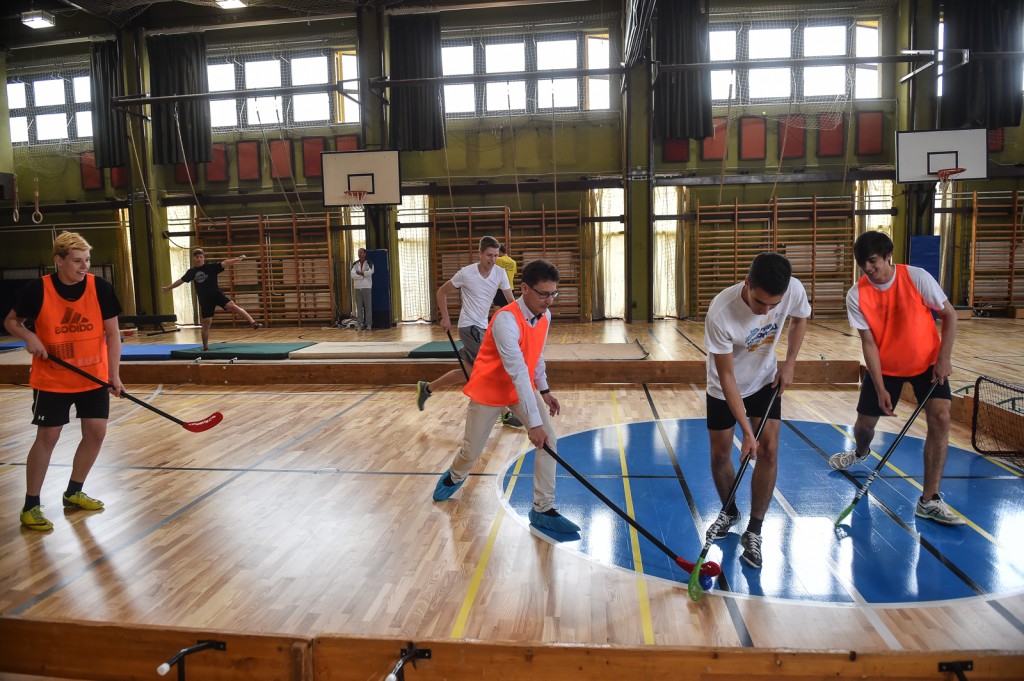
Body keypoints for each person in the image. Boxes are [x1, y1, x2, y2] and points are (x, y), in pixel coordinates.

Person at [432, 259, 580, 534]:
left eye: (553, 294)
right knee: (471, 452)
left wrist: (545, 390)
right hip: (489, 390)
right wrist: (533, 424)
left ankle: (543, 509)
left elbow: (536, 356)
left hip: (519, 389)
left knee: (549, 441)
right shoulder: (505, 320)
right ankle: (454, 475)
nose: (549, 300)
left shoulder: (545, 316)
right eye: (544, 294)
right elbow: (518, 371)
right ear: (524, 288)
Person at [828, 231, 963, 526]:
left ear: (888, 256)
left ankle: (929, 499)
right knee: (865, 426)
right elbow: (868, 343)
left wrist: (944, 358)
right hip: (885, 368)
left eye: (873, 261)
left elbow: (950, 315)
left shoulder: (916, 277)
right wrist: (879, 387)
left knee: (941, 418)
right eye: (863, 264)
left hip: (928, 363)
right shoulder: (856, 295)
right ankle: (860, 452)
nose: (868, 268)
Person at [4, 232, 125, 532]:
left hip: (93, 376)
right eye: (77, 261)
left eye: (87, 260)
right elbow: (11, 321)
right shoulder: (38, 289)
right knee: (48, 437)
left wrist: (114, 375)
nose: (85, 267)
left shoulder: (100, 288)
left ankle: (74, 491)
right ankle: (31, 505)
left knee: (96, 433)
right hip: (53, 379)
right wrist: (29, 336)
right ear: (59, 261)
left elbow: (112, 334)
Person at [703, 252, 810, 569]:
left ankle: (755, 529)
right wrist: (747, 432)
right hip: (724, 387)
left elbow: (800, 318)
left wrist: (790, 363)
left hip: (765, 380)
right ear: (747, 283)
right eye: (759, 302)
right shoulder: (721, 312)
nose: (765, 311)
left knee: (770, 450)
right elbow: (727, 377)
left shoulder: (793, 289)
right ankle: (729, 511)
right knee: (721, 455)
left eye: (773, 306)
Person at [416, 236, 522, 428]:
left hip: (483, 327)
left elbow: (511, 301)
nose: (492, 259)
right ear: (480, 254)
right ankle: (505, 413)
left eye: (495, 256)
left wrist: (521, 321)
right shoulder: (466, 273)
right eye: (489, 255)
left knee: (469, 371)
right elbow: (441, 292)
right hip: (469, 327)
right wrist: (445, 317)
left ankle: (427, 388)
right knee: (487, 370)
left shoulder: (500, 273)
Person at [162, 248, 262, 351]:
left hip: (216, 294)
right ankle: (205, 347)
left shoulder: (210, 267)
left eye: (201, 257)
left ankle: (253, 323)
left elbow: (225, 263)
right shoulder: (191, 272)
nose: (199, 259)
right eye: (197, 257)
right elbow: (181, 280)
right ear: (193, 258)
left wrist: (237, 259)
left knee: (233, 306)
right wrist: (169, 288)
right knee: (206, 323)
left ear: (203, 258)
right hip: (205, 300)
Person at [350, 248, 374, 330]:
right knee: (359, 307)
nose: (359, 254)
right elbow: (352, 275)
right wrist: (362, 275)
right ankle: (360, 323)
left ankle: (368, 324)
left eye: (361, 252)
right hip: (357, 287)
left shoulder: (369, 263)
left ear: (365, 254)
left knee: (368, 307)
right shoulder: (355, 264)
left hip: (366, 287)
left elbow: (369, 272)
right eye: (358, 252)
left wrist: (360, 273)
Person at [492, 244, 517, 309]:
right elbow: (514, 273)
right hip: (510, 289)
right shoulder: (513, 262)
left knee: (497, 306)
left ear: (499, 251)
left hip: (499, 288)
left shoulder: (498, 260)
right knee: (509, 309)